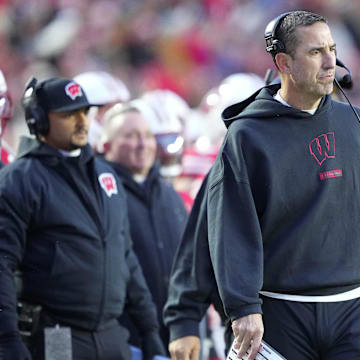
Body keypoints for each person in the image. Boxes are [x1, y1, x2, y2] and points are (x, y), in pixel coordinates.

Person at [206, 10, 360, 360]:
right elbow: (230, 226)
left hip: (353, 308)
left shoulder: (354, 122)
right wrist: (243, 306)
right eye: (315, 52)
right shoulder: (247, 135)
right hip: (280, 312)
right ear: (284, 63)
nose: (330, 62)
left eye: (332, 49)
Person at [0, 77, 165, 360]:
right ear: (39, 120)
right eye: (67, 114)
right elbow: (2, 263)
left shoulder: (105, 174)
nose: (81, 122)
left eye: (84, 112)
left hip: (111, 334)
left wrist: (149, 332)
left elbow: (125, 256)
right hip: (56, 336)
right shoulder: (19, 179)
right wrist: (8, 339)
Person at [100, 103, 188, 352]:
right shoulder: (100, 193)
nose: (142, 144)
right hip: (125, 338)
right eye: (130, 136)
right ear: (106, 146)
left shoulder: (169, 194)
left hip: (174, 335)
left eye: (147, 136)